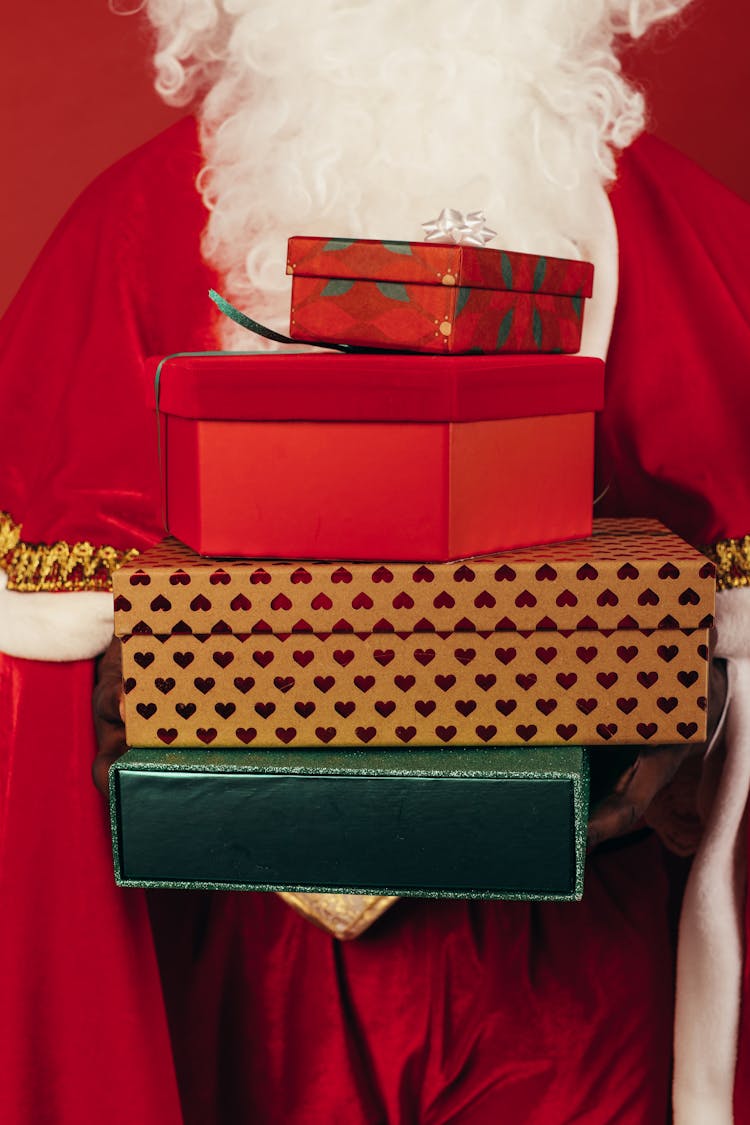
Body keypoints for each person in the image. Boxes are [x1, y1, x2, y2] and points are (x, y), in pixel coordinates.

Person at [1, 1, 749, 1122]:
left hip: (579, 973)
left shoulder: (671, 224)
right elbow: (39, 667)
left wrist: (672, 732)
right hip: (265, 973)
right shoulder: (132, 224)